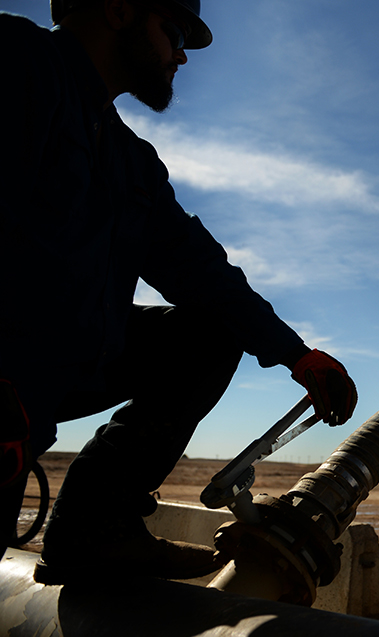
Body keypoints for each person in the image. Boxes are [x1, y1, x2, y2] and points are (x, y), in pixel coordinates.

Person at [0, 0, 358, 584]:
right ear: (117, 9)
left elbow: (201, 272)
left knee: (208, 335)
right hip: (6, 388)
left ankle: (96, 526)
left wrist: (297, 353)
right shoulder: (19, 64)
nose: (182, 55)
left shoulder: (128, 162)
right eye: (173, 31)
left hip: (49, 377)